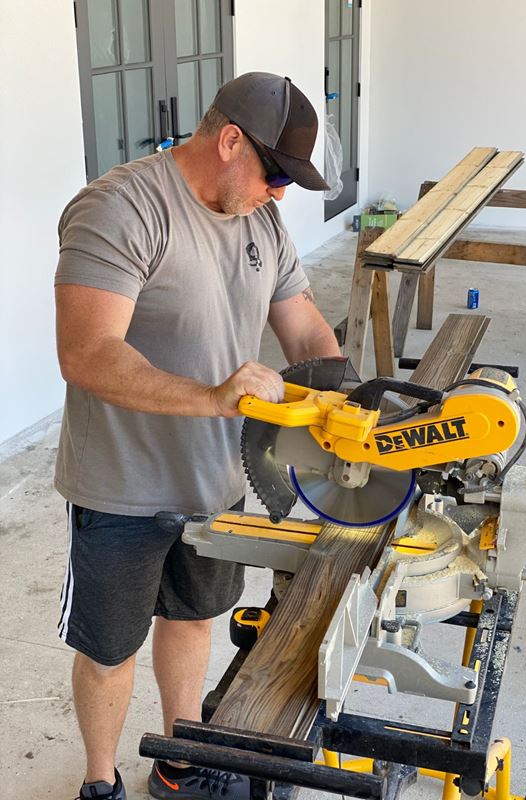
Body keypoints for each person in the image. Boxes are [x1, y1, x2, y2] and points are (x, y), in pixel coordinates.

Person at [54, 72, 341, 800]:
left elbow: (302, 322)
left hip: (213, 478)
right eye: (277, 174)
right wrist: (212, 397)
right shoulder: (119, 207)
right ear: (229, 140)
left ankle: (179, 763)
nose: (281, 193)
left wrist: (347, 397)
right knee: (110, 650)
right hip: (121, 483)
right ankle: (99, 782)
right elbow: (87, 353)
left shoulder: (261, 220)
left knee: (192, 622)